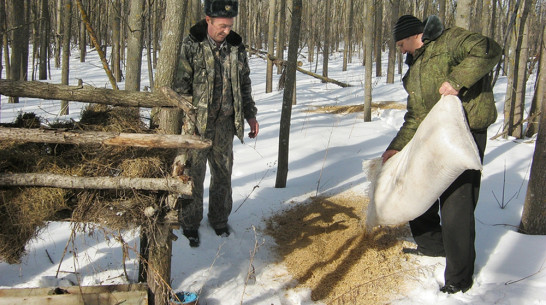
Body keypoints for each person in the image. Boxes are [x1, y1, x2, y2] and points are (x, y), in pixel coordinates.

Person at [383, 15, 501, 294]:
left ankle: (459, 280)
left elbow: (490, 49)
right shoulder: (415, 66)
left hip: (465, 132)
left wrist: (457, 80)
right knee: (415, 188)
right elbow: (416, 115)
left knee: (456, 205)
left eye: (401, 44)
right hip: (434, 134)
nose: (400, 50)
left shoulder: (449, 41)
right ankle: (432, 246)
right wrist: (396, 146)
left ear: (415, 35)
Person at [173, 0, 258, 247]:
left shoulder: (235, 46)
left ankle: (219, 221)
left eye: (230, 26)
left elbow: (244, 83)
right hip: (197, 125)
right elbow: (181, 87)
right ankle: (189, 224)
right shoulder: (192, 44)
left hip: (225, 123)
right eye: (222, 26)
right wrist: (187, 122)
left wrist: (250, 115)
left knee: (223, 173)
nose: (227, 31)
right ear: (208, 20)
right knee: (194, 174)